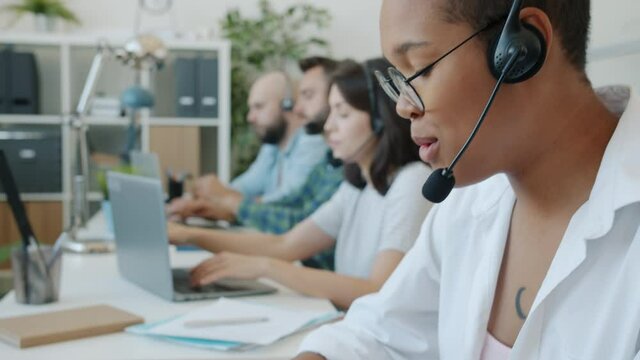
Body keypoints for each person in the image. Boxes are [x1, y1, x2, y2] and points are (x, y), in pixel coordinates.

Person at [295, 0, 640, 359]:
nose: (403, 107)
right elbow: (377, 333)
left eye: (421, 68)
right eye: (398, 77)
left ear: (522, 49)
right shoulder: (469, 200)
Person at [167, 58, 434, 309]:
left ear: (380, 120)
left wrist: (266, 267)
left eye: (342, 114)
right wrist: (189, 235)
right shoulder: (356, 186)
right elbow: (285, 245)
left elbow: (377, 290)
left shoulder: (411, 181)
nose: (328, 127)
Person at [169, 57, 343, 270]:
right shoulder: (318, 161)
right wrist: (218, 205)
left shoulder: (320, 150)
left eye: (259, 107)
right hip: (298, 263)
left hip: (311, 272)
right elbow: (283, 201)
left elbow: (295, 218)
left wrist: (227, 204)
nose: (250, 117)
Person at [168, 70, 328, 221]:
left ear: (288, 105)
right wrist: (200, 204)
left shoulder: (311, 143)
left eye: (258, 107)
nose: (250, 117)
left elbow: (285, 204)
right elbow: (245, 187)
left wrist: (222, 196)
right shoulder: (273, 147)